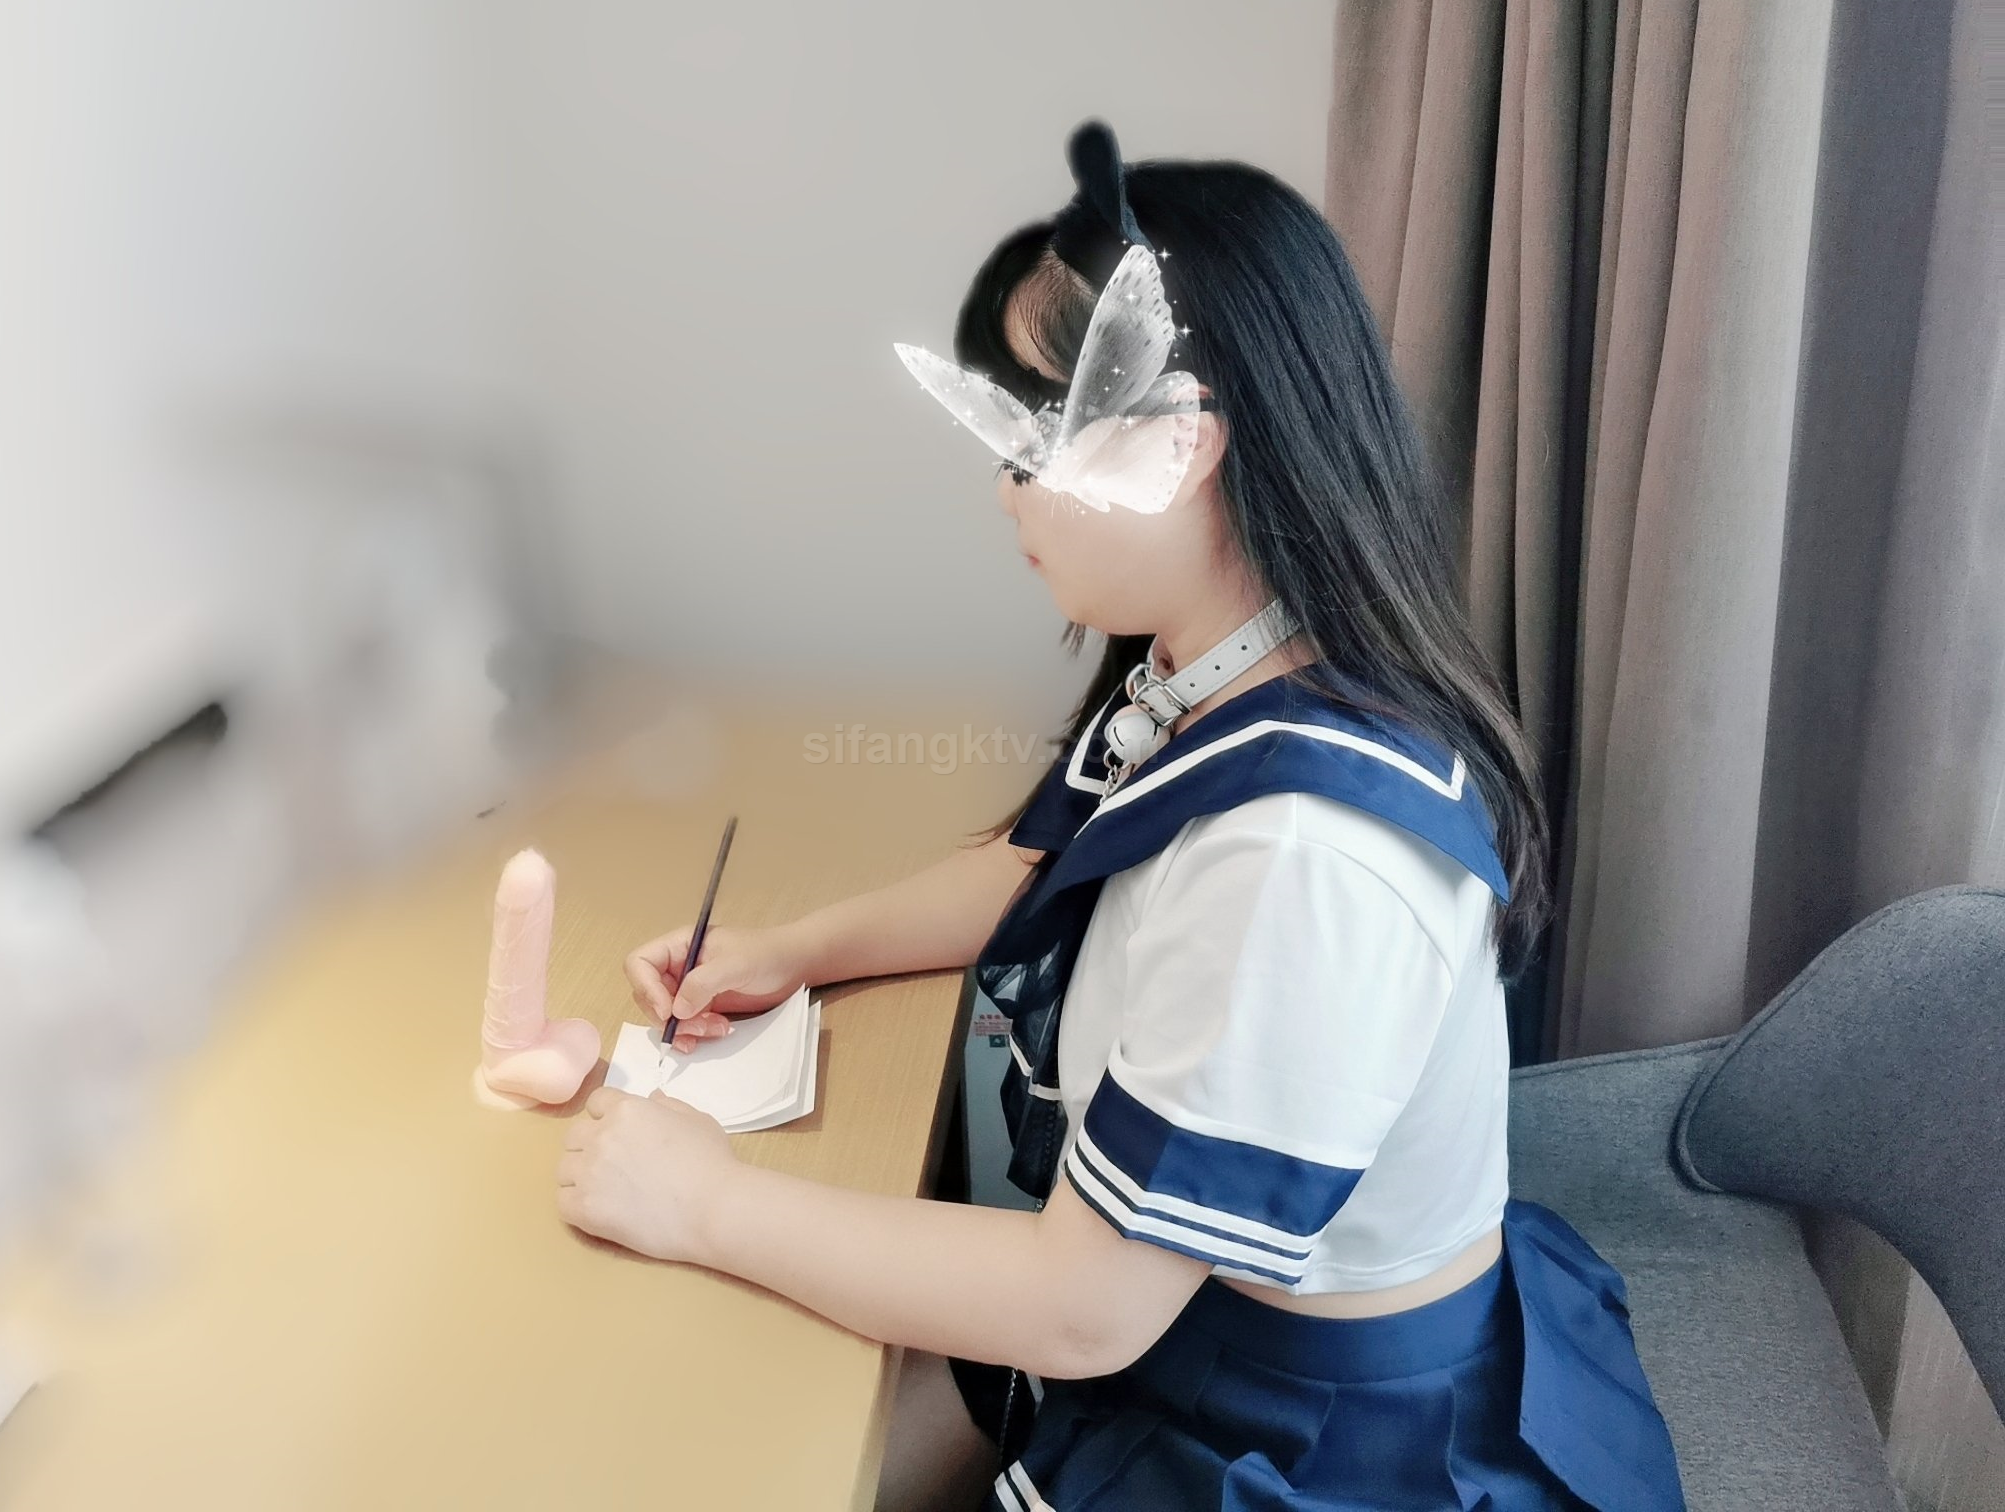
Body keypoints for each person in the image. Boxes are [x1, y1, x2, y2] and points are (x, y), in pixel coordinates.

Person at [557, 120, 1687, 1511]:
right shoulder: (1216, 668)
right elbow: (1046, 866)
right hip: (1181, 1319)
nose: (1004, 489)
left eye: (1032, 440)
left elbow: (1084, 1309)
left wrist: (706, 1202)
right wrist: (796, 952)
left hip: (1300, 1428)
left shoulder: (1303, 858)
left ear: (1185, 446)